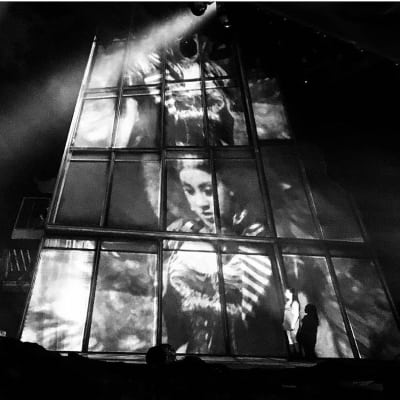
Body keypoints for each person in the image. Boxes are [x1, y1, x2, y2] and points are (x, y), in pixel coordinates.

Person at [163, 159, 272, 354]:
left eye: (208, 190)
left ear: (231, 186)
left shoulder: (262, 236)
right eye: (190, 191)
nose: (200, 203)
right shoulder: (180, 236)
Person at [282, 287, 300, 358]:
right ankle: (292, 355)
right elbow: (286, 313)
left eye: (287, 292)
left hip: (292, 324)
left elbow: (296, 314)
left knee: (294, 338)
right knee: (289, 339)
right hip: (287, 323)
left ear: (291, 293)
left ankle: (298, 355)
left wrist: (293, 324)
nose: (285, 294)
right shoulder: (287, 303)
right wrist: (284, 322)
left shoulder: (294, 303)